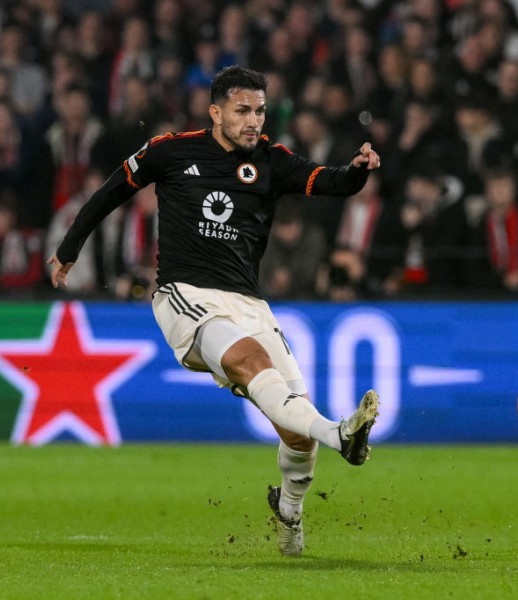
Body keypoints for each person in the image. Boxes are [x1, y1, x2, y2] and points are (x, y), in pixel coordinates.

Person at [47, 66, 381, 557]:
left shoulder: (272, 160)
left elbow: (330, 183)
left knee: (294, 427)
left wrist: (356, 170)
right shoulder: (170, 149)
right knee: (254, 364)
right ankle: (339, 433)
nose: (253, 121)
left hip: (249, 303)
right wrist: (70, 248)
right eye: (243, 111)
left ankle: (289, 513)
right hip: (187, 296)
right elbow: (111, 192)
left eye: (261, 111)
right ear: (216, 111)